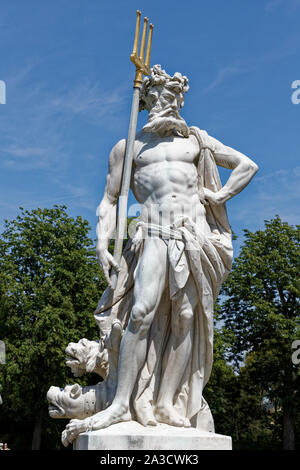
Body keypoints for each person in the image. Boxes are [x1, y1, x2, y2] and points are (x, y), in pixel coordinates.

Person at [64, 65, 258, 444]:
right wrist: (102, 242)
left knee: (186, 317)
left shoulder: (196, 142)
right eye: (157, 99)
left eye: (171, 99)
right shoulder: (129, 147)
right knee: (141, 311)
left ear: (180, 102)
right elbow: (109, 200)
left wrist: (218, 197)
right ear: (146, 102)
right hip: (152, 233)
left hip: (192, 236)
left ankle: (168, 401)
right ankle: (121, 402)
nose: (165, 105)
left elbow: (247, 165)